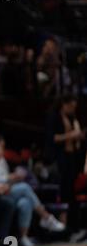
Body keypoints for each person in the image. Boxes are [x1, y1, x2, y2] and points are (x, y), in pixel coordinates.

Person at [0, 141, 65, 246]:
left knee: (25, 203)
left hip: (6, 190)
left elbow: (6, 180)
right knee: (25, 187)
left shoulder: (2, 162)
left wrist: (13, 179)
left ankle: (23, 237)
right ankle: (46, 217)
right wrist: (8, 178)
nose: (1, 155)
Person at [46, 94, 85, 233]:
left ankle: (74, 226)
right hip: (59, 159)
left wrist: (79, 136)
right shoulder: (54, 117)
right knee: (63, 192)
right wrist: (71, 136)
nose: (73, 109)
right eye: (71, 106)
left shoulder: (73, 118)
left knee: (72, 192)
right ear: (64, 104)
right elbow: (52, 138)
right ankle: (64, 227)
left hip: (72, 158)